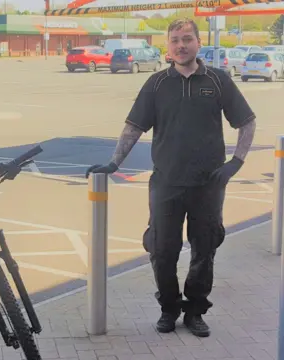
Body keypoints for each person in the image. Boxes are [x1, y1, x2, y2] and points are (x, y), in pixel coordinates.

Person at [85, 18, 256, 338]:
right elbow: (134, 127)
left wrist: (236, 162)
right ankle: (168, 307)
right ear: (168, 46)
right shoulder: (157, 84)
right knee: (161, 249)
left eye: (187, 39)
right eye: (175, 40)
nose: (181, 45)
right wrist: (113, 163)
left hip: (208, 184)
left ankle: (195, 310)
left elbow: (247, 121)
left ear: (198, 43)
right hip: (166, 182)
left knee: (205, 248)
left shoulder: (218, 81)